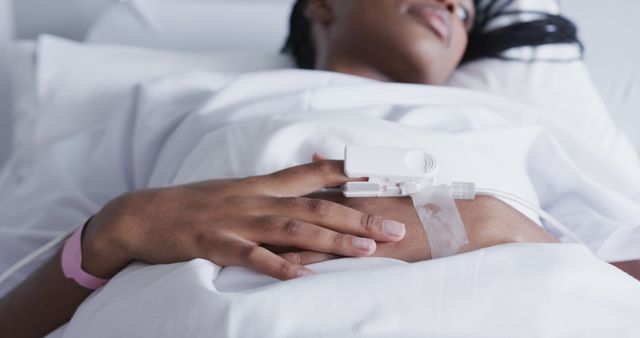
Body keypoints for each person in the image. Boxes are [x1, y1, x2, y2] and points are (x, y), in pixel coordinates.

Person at [0, 0, 637, 337]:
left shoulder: (521, 127)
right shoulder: (178, 102)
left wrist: (503, 231)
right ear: (323, 5)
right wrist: (115, 229)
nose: (452, 3)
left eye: (467, 13)